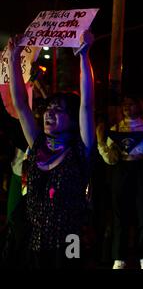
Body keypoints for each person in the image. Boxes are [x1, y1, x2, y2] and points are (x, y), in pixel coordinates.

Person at [7, 31, 95, 269]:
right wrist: (13, 58)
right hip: (34, 244)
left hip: (69, 246)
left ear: (73, 120)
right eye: (48, 108)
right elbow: (20, 105)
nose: (48, 113)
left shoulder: (80, 149)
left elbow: (87, 105)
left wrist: (84, 57)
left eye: (58, 110)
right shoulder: (37, 145)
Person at [97, 95, 143, 269]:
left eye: (130, 104)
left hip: (141, 172)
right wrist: (101, 143)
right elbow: (111, 160)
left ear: (139, 106)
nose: (126, 107)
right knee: (119, 217)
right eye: (124, 104)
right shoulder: (115, 128)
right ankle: (119, 257)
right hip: (121, 172)